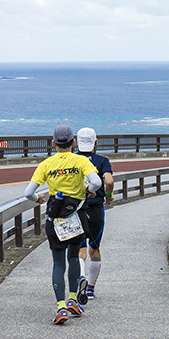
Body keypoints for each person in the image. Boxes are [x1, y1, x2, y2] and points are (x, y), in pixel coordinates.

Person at [24, 125, 102, 325]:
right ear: (73, 142)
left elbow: (28, 193)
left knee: (58, 263)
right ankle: (73, 301)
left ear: (53, 143)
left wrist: (38, 198)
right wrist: (88, 189)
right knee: (74, 257)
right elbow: (97, 182)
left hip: (56, 218)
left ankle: (61, 309)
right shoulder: (81, 160)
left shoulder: (46, 164)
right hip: (77, 216)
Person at [76, 127, 114, 300]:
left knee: (80, 247)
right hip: (96, 208)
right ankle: (90, 289)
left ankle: (80, 278)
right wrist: (108, 194)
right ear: (95, 142)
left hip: (76, 208)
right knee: (95, 247)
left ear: (76, 141)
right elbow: (109, 180)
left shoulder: (73, 159)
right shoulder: (102, 160)